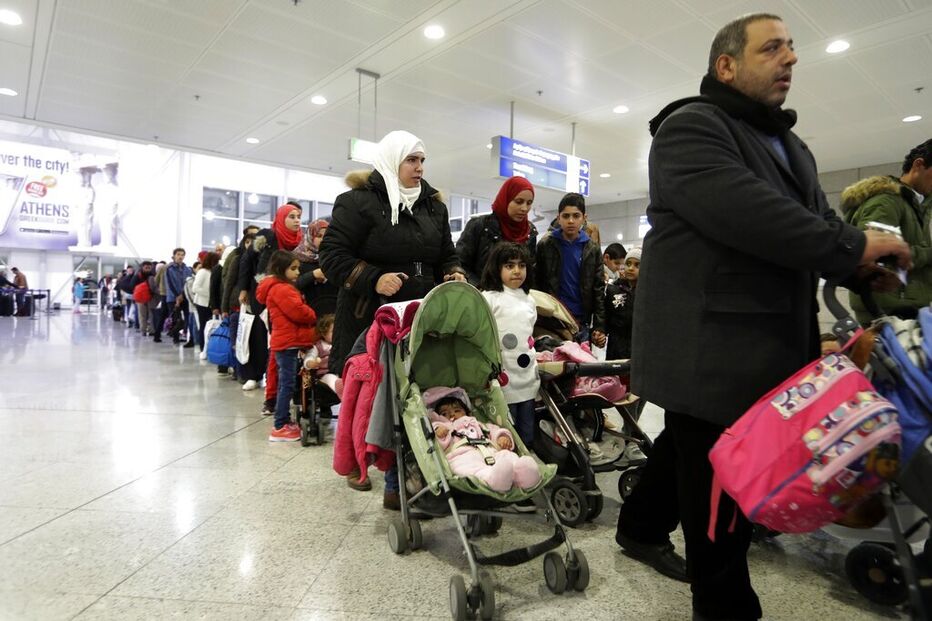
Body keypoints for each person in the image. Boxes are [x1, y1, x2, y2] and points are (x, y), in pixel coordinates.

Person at [615, 13, 911, 621]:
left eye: (792, 48)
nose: (791, 58)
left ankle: (639, 527)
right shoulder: (690, 127)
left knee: (688, 449)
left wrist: (857, 267)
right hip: (711, 345)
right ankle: (724, 607)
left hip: (764, 344)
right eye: (772, 47)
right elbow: (747, 211)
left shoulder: (791, 144)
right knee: (720, 482)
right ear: (726, 65)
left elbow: (820, 223)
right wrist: (854, 249)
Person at [319, 129, 464, 509]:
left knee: (415, 396)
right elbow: (332, 256)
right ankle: (360, 462)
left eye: (422, 160)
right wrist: (372, 278)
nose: (419, 168)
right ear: (391, 161)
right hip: (372, 315)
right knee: (372, 395)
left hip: (421, 314)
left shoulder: (433, 206)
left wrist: (453, 272)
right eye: (411, 160)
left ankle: (405, 478)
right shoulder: (357, 202)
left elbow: (446, 253)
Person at [842, 139, 932, 325]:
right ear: (919, 165)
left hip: (910, 310)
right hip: (890, 313)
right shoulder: (886, 202)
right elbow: (875, 258)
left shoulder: (916, 204)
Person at [425, 386, 541, 493]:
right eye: (444, 413)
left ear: (467, 412)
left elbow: (494, 430)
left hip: (491, 451)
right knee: (466, 467)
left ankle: (523, 474)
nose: (452, 415)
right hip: (463, 456)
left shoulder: (479, 425)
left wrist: (502, 437)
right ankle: (493, 479)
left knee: (506, 455)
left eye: (457, 410)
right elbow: (437, 446)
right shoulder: (445, 428)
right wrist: (437, 431)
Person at [478, 242, 539, 447]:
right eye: (509, 265)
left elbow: (529, 332)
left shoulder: (529, 299)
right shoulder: (488, 298)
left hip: (527, 377)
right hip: (502, 378)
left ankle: (529, 465)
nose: (516, 271)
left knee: (527, 433)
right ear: (497, 268)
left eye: (522, 265)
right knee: (505, 431)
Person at [239, 203, 303, 395]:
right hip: (262, 292)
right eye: (291, 216)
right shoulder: (267, 235)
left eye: (298, 216)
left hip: (287, 295)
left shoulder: (300, 242)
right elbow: (247, 260)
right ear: (282, 218)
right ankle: (254, 375)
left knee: (281, 338)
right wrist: (242, 288)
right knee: (258, 335)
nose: (297, 220)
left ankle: (279, 381)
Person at [256, 250, 318, 442]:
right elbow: (299, 313)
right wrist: (311, 313)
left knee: (288, 383)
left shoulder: (279, 287)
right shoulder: (283, 289)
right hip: (288, 342)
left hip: (287, 341)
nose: (298, 272)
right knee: (287, 384)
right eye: (293, 268)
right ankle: (280, 425)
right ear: (281, 269)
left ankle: (283, 421)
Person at [534, 193, 606, 347]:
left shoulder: (592, 249)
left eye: (576, 216)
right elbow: (536, 283)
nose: (571, 221)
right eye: (566, 216)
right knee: (553, 367)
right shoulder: (546, 245)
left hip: (582, 321)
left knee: (581, 368)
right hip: (552, 319)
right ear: (558, 218)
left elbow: (598, 288)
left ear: (584, 218)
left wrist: (600, 325)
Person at [456, 176, 538, 286]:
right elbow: (461, 264)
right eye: (519, 201)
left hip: (514, 299)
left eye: (529, 203)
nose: (524, 208)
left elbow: (530, 273)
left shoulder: (529, 233)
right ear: (506, 199)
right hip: (481, 298)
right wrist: (482, 291)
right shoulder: (480, 226)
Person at [294, 219, 337, 317]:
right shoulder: (299, 258)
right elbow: (291, 285)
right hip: (308, 314)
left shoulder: (335, 258)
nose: (323, 240)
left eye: (326, 236)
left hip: (333, 313)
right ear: (310, 237)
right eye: (319, 236)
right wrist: (313, 275)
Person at [604, 247, 640, 361]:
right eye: (628, 264)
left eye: (637, 265)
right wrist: (600, 330)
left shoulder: (647, 293)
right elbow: (605, 315)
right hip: (615, 348)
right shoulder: (613, 290)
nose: (630, 268)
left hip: (637, 347)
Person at [302, 313, 340, 394]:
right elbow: (309, 357)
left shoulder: (340, 345)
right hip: (324, 375)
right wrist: (311, 363)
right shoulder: (318, 347)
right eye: (333, 332)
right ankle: (340, 389)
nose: (336, 334)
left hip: (340, 372)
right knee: (331, 379)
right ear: (323, 333)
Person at [193, 252, 219, 357]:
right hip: (202, 303)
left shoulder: (212, 271)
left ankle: (206, 347)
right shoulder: (203, 272)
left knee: (208, 326)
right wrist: (210, 294)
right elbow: (195, 288)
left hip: (209, 303)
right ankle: (203, 347)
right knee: (204, 326)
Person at [165, 248, 193, 345]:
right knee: (175, 319)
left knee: (188, 317)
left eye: (182, 254)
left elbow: (188, 283)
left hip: (185, 297)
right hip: (173, 298)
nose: (180, 256)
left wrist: (183, 295)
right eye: (178, 254)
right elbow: (169, 283)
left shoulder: (188, 269)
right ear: (174, 256)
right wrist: (177, 296)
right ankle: (175, 337)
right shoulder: (169, 269)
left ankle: (186, 335)